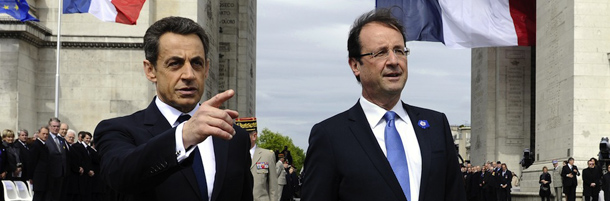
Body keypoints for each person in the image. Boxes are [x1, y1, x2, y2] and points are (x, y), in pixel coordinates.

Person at [300, 8, 466, 201]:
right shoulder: (330, 136)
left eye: (399, 50)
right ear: (355, 65)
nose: (394, 61)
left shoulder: (436, 125)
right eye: (381, 53)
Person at [93, 16, 253, 201]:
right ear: (150, 70)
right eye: (175, 63)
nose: (189, 75)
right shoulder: (118, 130)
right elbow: (120, 177)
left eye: (197, 63)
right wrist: (183, 136)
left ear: (207, 68)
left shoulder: (235, 137)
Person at [236, 117, 278, 201]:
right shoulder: (234, 155)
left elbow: (273, 188)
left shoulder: (267, 155)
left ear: (254, 136)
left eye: (244, 136)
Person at [46, 117, 68, 201]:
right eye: (54, 126)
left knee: (58, 195)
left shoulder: (61, 139)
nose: (56, 128)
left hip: (61, 173)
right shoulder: (47, 139)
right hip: (51, 173)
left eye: (58, 126)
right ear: (49, 126)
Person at [29, 126, 50, 201]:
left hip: (45, 176)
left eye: (47, 134)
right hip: (39, 176)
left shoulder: (44, 145)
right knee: (38, 197)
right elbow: (32, 161)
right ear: (38, 134)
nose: (45, 135)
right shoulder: (36, 145)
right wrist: (31, 176)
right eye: (43, 133)